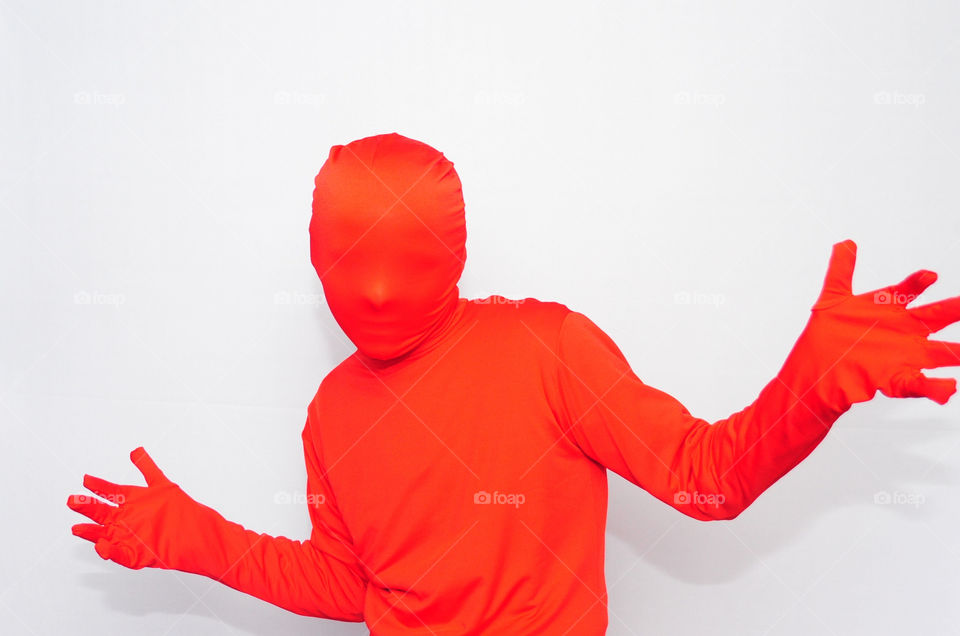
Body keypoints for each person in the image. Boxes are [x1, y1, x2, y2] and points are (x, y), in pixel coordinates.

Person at [68, 132, 960, 634]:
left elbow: (708, 479)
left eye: (408, 258)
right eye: (351, 258)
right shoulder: (332, 413)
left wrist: (810, 386)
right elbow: (356, 585)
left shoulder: (548, 348)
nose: (376, 289)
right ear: (316, 260)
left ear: (455, 253)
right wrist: (200, 540)